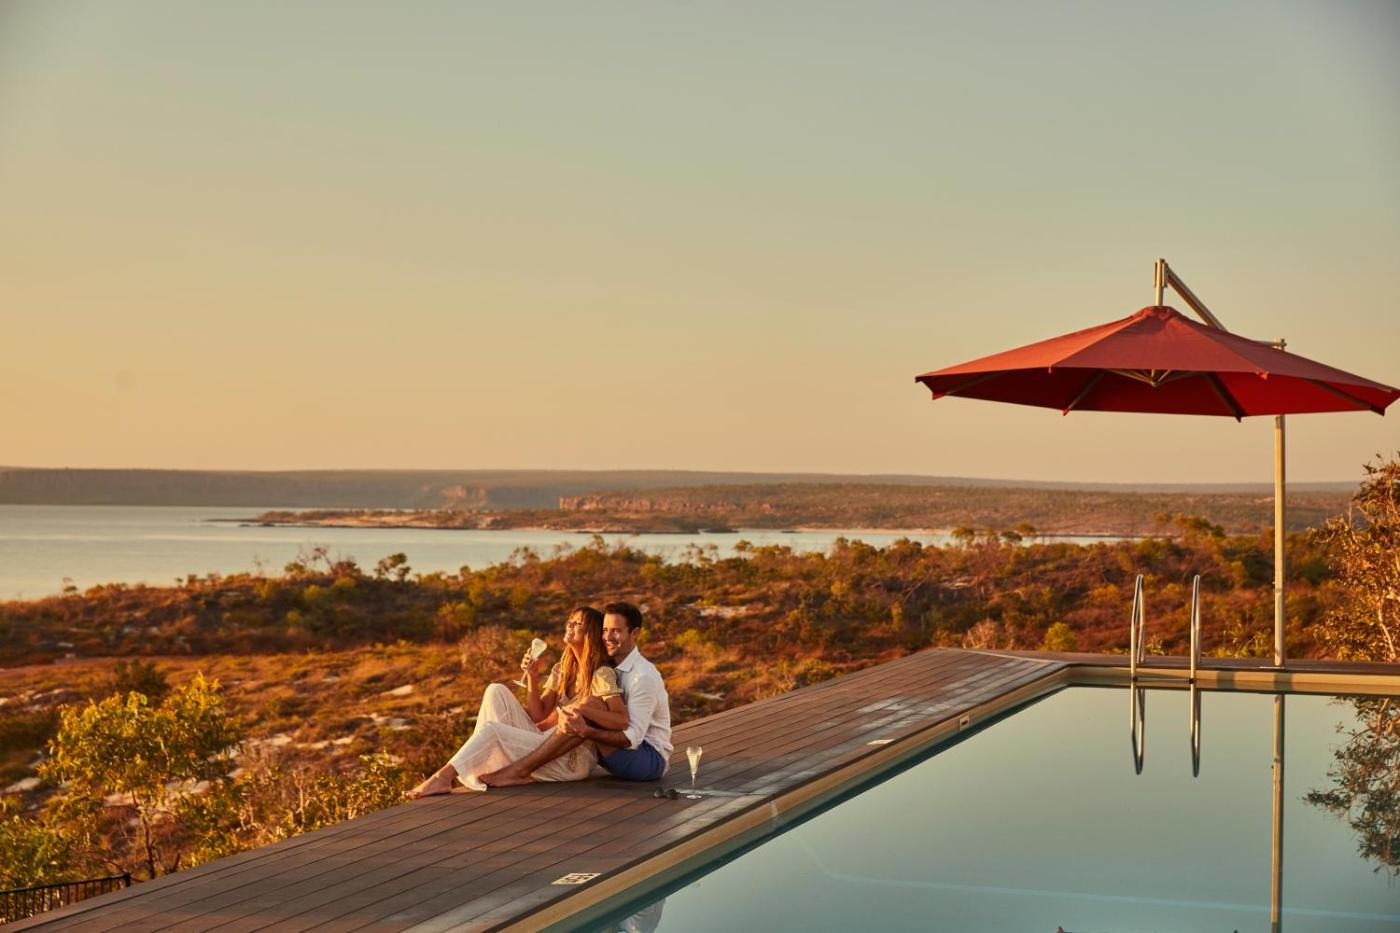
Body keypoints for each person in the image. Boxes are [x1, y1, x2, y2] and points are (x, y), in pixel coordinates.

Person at [406, 606, 628, 796]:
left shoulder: (601, 673)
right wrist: (532, 677)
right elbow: (538, 715)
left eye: (578, 623)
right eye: (570, 621)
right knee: (496, 690)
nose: (570, 625)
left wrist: (582, 711)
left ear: (590, 634)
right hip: (545, 746)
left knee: (493, 730)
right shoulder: (562, 669)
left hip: (571, 761)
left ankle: (444, 777)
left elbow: (621, 720)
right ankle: (497, 764)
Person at [480, 601, 672, 787]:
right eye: (605, 630)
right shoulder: (603, 666)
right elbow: (543, 716)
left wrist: (586, 728)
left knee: (586, 706)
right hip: (605, 752)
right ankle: (504, 762)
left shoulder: (642, 676)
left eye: (616, 631)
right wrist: (532, 677)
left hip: (646, 759)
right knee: (498, 692)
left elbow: (632, 738)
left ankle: (520, 769)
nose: (608, 637)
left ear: (635, 633)